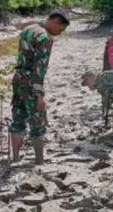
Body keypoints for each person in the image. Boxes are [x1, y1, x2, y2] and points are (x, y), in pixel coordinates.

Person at [9, 12, 71, 163]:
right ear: (54, 22)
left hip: (18, 79)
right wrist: (39, 95)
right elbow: (39, 68)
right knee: (37, 122)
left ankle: (16, 158)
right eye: (61, 29)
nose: (59, 33)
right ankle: (39, 161)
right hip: (31, 83)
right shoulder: (44, 38)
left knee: (18, 119)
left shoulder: (28, 29)